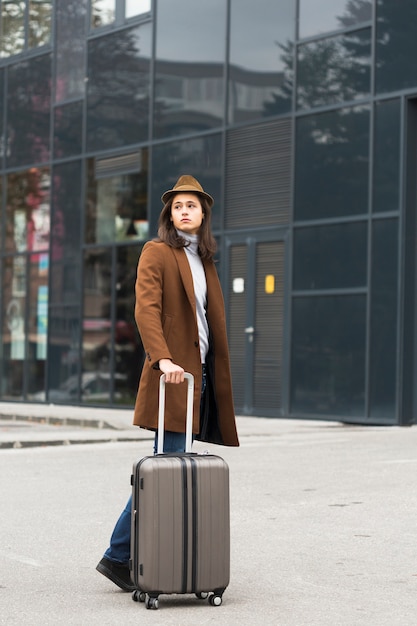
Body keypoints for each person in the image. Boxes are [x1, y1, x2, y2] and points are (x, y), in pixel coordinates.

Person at [96, 175, 239, 591]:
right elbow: (146, 310)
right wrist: (162, 359)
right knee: (162, 466)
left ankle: (136, 555)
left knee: (168, 466)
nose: (184, 211)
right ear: (169, 214)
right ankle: (117, 556)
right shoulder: (157, 251)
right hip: (173, 376)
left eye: (191, 206)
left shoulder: (206, 260)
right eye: (178, 206)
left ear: (203, 214)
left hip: (199, 377)